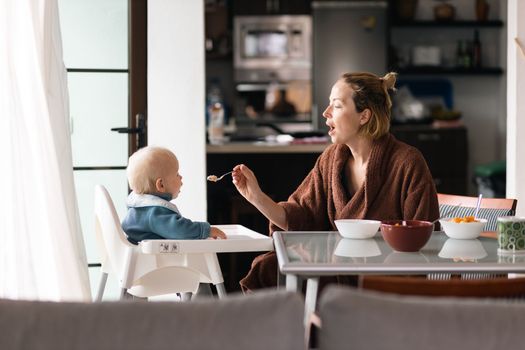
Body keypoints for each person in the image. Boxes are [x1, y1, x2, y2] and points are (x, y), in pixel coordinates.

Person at [232, 71, 439, 291]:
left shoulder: (406, 162)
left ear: (364, 116)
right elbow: (300, 217)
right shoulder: (331, 159)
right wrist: (257, 197)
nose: (325, 112)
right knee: (268, 267)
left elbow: (423, 241)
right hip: (336, 276)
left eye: (337, 105)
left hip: (385, 283)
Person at [122, 146, 226, 243]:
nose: (181, 177)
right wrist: (206, 230)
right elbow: (181, 230)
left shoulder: (140, 209)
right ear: (161, 185)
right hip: (152, 260)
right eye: (177, 174)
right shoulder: (154, 213)